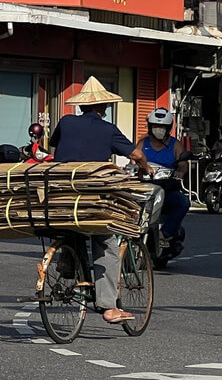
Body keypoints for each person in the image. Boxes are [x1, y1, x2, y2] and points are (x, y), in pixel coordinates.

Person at [50, 77, 150, 325]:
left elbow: (54, 148)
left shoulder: (65, 122)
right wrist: (146, 168)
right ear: (103, 107)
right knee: (106, 244)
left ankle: (68, 260)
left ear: (82, 105)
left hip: (61, 196)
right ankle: (108, 305)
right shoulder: (108, 129)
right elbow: (136, 154)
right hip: (93, 199)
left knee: (72, 227)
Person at [135, 108, 190, 248]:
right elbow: (134, 162)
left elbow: (183, 165)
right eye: (155, 126)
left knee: (183, 202)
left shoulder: (175, 145)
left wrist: (180, 172)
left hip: (166, 188)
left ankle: (164, 234)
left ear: (168, 128)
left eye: (162, 127)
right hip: (145, 188)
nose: (158, 130)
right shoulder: (142, 143)